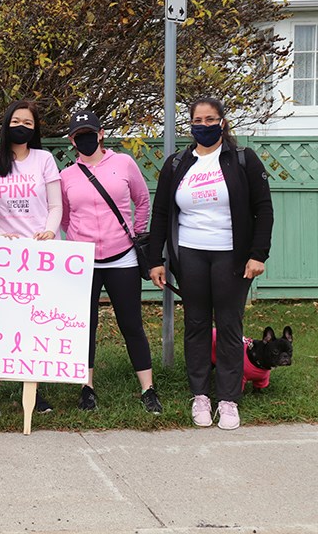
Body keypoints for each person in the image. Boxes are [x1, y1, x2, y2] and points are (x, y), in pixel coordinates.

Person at [148, 97, 273, 430]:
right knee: (197, 325)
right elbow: (160, 213)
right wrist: (155, 260)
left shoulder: (242, 160)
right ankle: (201, 395)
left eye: (210, 119)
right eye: (197, 120)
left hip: (231, 256)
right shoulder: (177, 164)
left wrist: (258, 254)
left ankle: (229, 400)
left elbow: (264, 209)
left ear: (222, 122)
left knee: (230, 326)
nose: (203, 125)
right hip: (189, 255)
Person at [59, 110, 162, 414]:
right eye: (80, 135)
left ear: (101, 133)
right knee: (84, 325)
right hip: (83, 260)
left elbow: (142, 200)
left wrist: (137, 232)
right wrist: (78, 239)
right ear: (72, 140)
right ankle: (86, 388)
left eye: (91, 132)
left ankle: (148, 388)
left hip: (122, 258)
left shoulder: (124, 163)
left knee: (131, 323)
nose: (86, 139)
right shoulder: (66, 175)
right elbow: (65, 214)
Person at [0, 100, 61, 422]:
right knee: (0, 324)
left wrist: (50, 233)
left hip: (40, 255)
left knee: (34, 323)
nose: (21, 126)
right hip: (5, 256)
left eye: (28, 121)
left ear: (35, 128)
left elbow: (55, 206)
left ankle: (33, 393)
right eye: (16, 120)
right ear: (6, 124)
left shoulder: (45, 160)